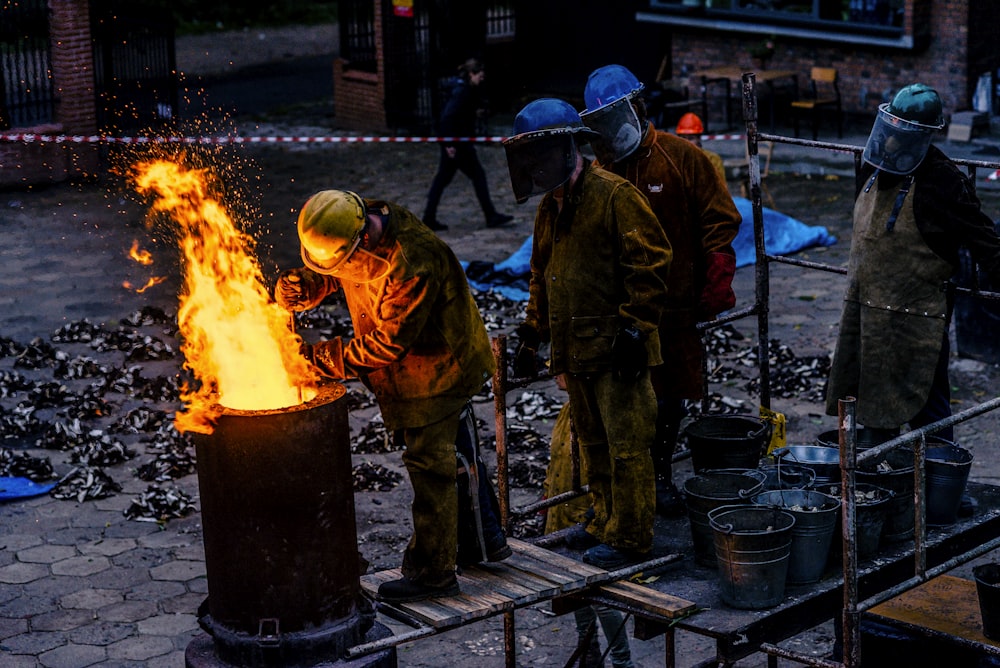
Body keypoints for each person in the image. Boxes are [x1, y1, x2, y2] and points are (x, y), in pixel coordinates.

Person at [274, 189, 511, 603]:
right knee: (456, 456)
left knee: (431, 467)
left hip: (439, 373)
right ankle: (483, 541)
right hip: (418, 370)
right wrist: (308, 284)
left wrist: (317, 359)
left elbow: (386, 345)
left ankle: (433, 573)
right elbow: (344, 270)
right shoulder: (357, 221)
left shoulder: (413, 260)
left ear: (363, 239)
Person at [504, 97, 671, 569]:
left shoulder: (614, 196)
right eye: (528, 158)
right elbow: (542, 274)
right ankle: (605, 523)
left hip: (619, 352)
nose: (534, 167)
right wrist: (531, 334)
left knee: (627, 448)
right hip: (576, 351)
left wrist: (637, 328)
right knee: (593, 446)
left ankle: (632, 537)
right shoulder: (549, 208)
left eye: (540, 155)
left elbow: (652, 261)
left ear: (568, 149)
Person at [579, 65, 742, 516]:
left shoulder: (682, 158)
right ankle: (620, 489)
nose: (608, 134)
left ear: (636, 108)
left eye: (614, 120)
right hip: (623, 310)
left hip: (675, 306)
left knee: (672, 395)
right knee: (628, 400)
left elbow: (719, 220)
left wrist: (717, 275)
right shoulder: (600, 171)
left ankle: (662, 475)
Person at [826, 83, 1000, 446]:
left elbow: (986, 241)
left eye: (905, 133)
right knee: (870, 400)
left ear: (926, 134)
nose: (894, 141)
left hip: (918, 318)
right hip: (866, 310)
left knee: (929, 408)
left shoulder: (943, 179)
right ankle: (882, 487)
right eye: (892, 129)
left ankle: (940, 490)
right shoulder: (872, 164)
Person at [544, 376, 636, 668]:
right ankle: (588, 647)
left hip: (587, 513)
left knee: (598, 594)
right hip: (562, 509)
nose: (555, 374)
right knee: (574, 588)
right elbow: (556, 463)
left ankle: (622, 661)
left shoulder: (599, 415)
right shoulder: (569, 411)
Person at [422, 58, 514, 231]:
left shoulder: (463, 89)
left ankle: (429, 216)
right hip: (458, 144)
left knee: (443, 179)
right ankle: (490, 215)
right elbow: (448, 117)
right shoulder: (462, 91)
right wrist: (449, 144)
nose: (481, 79)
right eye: (479, 75)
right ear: (472, 74)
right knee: (476, 175)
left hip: (456, 142)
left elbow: (459, 114)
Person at [674, 111, 726, 183]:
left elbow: (721, 189)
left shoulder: (712, 160)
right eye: (683, 138)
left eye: (691, 138)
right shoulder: (673, 161)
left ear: (699, 138)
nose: (686, 142)